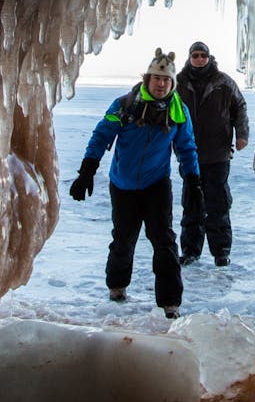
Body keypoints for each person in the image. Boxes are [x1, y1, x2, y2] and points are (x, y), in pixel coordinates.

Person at [69, 48, 201, 319]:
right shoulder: (124, 104)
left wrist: (193, 180)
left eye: (167, 80)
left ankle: (170, 302)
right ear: (147, 79)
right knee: (123, 239)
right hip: (123, 185)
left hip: (156, 185)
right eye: (157, 78)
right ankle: (117, 286)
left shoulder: (179, 111)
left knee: (164, 242)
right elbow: (102, 134)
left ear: (172, 83)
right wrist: (87, 169)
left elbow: (186, 148)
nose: (161, 84)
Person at [175, 40, 249, 267]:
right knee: (192, 203)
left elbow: (240, 108)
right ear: (189, 58)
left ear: (209, 57)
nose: (199, 59)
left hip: (218, 154)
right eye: (195, 55)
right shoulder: (179, 82)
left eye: (202, 55)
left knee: (218, 204)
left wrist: (241, 134)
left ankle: (221, 252)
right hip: (189, 154)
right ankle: (190, 251)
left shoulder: (223, 82)